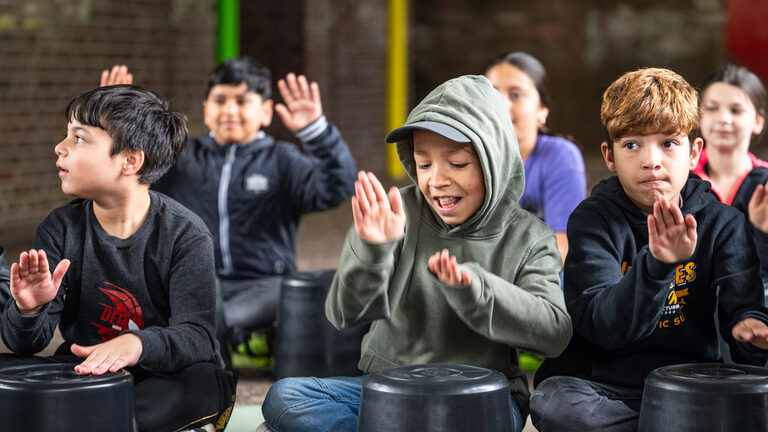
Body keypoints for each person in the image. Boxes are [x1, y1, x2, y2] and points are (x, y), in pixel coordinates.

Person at [257, 75, 572, 432]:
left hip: (479, 396)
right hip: (388, 389)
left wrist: (477, 290)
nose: (436, 180)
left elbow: (554, 334)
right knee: (285, 397)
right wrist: (374, 250)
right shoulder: (395, 213)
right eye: (424, 165)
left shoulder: (531, 237)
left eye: (457, 164)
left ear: (493, 159)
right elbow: (344, 314)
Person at [529, 68, 768, 432]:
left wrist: (751, 330)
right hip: (605, 386)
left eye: (669, 143)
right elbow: (603, 326)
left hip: (690, 383)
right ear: (609, 156)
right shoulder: (593, 220)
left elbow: (744, 319)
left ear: (694, 152)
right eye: (632, 145)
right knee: (553, 403)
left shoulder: (723, 223)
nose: (651, 161)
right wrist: (657, 264)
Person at [0, 85, 236, 432]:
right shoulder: (59, 228)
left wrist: (137, 344)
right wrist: (29, 309)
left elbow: (197, 337)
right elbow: (25, 344)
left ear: (130, 160)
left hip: (164, 375)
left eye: (78, 139)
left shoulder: (186, 233)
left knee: (204, 383)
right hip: (87, 368)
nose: (60, 148)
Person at [102, 58, 357, 357]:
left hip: (264, 285)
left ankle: (218, 337)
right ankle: (221, 338)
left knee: (283, 298)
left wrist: (316, 131)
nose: (230, 110)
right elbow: (123, 173)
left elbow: (337, 187)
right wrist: (113, 123)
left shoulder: (282, 160)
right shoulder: (182, 158)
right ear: (206, 109)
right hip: (196, 282)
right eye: (220, 100)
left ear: (265, 112)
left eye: (242, 101)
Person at [484, 52, 586, 266]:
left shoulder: (561, 156)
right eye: (492, 95)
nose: (502, 104)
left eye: (516, 95)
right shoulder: (468, 159)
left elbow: (564, 245)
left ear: (542, 110)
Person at [692, 64, 768, 295]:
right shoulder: (680, 181)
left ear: (758, 121)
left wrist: (762, 233)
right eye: (712, 108)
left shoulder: (765, 182)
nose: (723, 119)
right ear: (698, 117)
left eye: (736, 110)